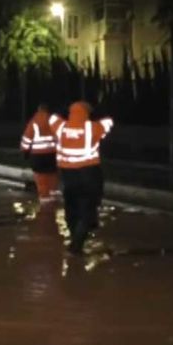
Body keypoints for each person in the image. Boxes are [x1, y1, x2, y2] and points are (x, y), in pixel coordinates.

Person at [49, 101, 113, 254]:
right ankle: (77, 244)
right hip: (89, 173)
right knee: (87, 209)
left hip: (68, 176)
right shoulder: (92, 128)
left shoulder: (61, 127)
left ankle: (74, 236)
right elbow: (108, 122)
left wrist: (65, 111)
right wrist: (96, 114)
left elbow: (52, 118)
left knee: (71, 207)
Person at [21, 104, 59, 203]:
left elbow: (27, 139)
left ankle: (45, 199)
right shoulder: (54, 121)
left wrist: (25, 151)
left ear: (38, 110)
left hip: (38, 155)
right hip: (53, 154)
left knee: (40, 176)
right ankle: (53, 195)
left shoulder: (34, 122)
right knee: (52, 174)